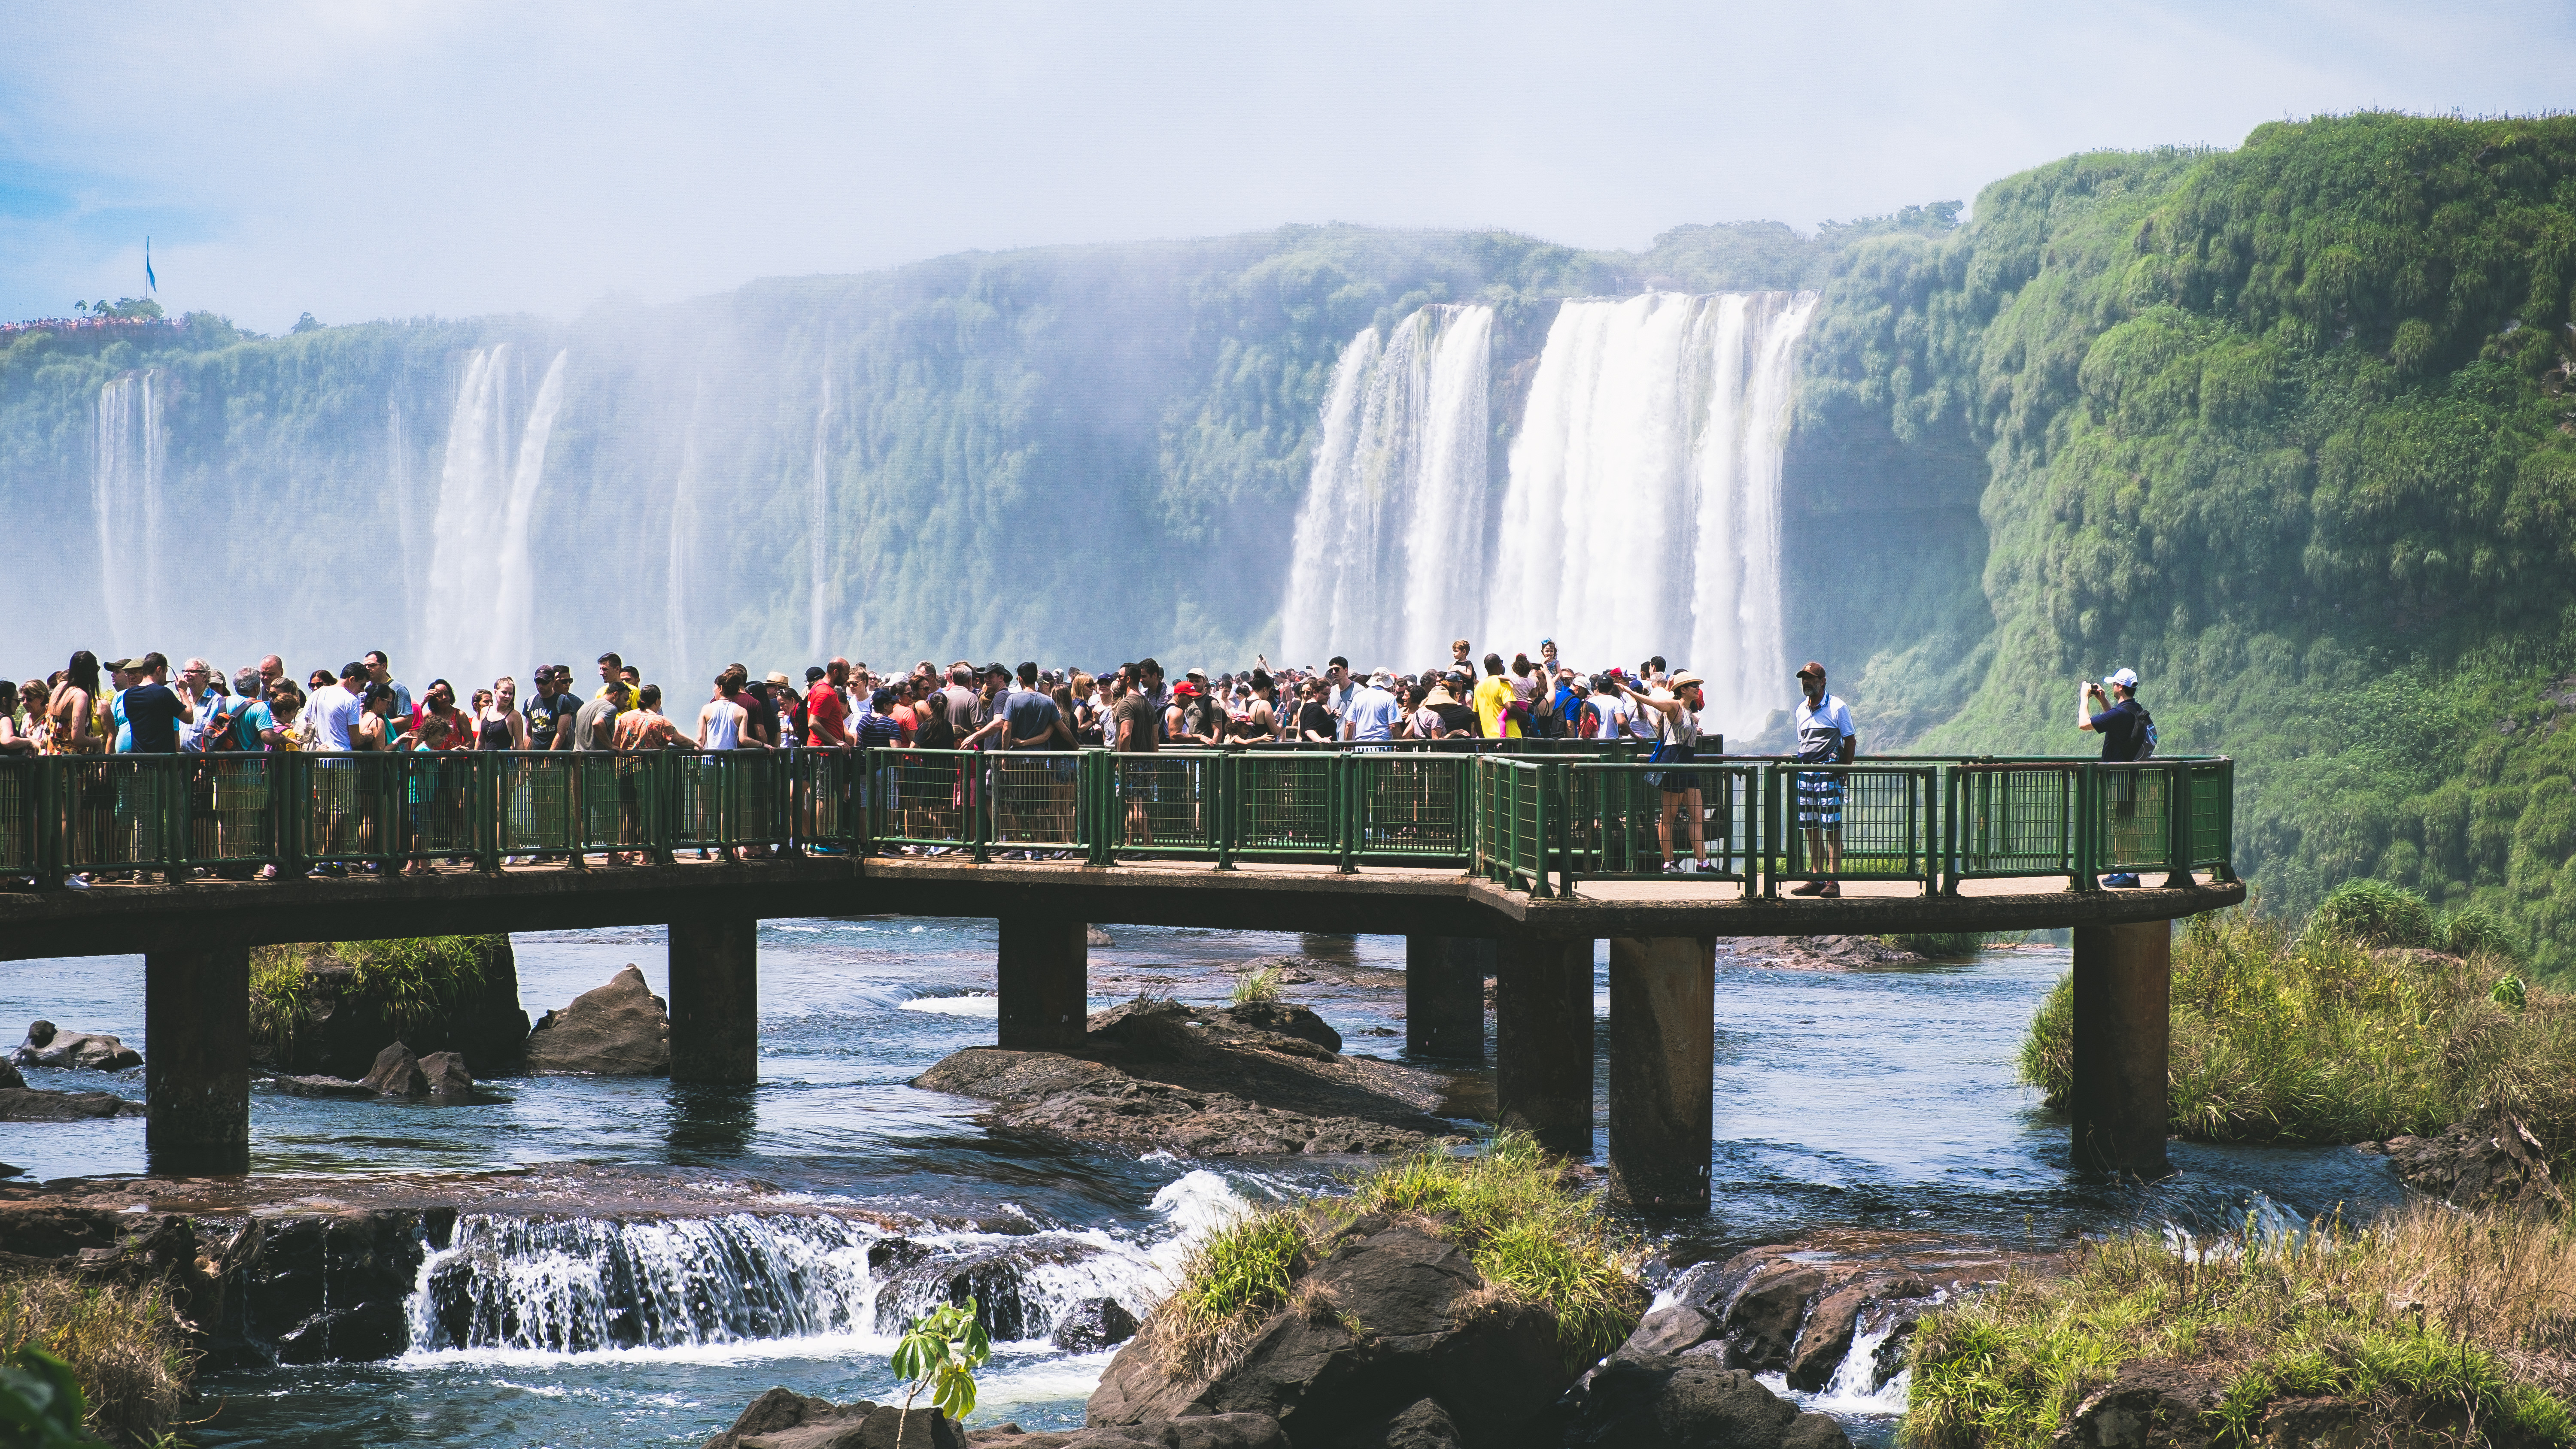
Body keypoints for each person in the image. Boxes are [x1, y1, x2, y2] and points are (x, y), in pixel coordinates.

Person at [1611, 672, 1711, 873]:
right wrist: (1630, 691)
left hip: (1688, 765)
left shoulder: (1688, 712)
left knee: (1697, 815)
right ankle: (1669, 863)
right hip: (1673, 764)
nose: (1696, 688)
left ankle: (1703, 863)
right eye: (1692, 685)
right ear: (1683, 689)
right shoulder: (1674, 707)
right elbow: (1653, 702)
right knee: (1669, 817)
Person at [2080, 667, 2155, 888]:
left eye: (2114, 684)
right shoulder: (2132, 710)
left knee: (2124, 825)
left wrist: (2084, 698)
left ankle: (2129, 874)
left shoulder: (2121, 714)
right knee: (2122, 823)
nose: (2112, 687)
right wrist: (2103, 700)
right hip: (2128, 775)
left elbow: (2084, 724)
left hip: (2121, 778)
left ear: (2120, 687)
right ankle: (2123, 869)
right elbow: (2115, 724)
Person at [1789, 661, 1857, 897]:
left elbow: (1850, 741)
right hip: (1806, 774)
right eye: (1803, 679)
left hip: (1829, 775)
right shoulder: (1800, 710)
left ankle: (1833, 880)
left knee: (1832, 827)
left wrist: (1844, 772)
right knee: (1810, 827)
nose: (1806, 682)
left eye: (1810, 678)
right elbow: (1803, 742)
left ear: (1823, 681)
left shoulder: (1838, 707)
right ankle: (1817, 877)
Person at [1341, 669, 1403, 744]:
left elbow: (1350, 724)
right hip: (1383, 746)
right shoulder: (1389, 697)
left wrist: (1347, 745)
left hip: (1361, 747)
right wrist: (1400, 745)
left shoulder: (1358, 696)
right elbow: (1394, 726)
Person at [1472, 653, 1519, 740]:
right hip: (1510, 736)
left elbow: (1476, 715)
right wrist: (1525, 714)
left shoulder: (1478, 687)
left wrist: (1482, 739)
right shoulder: (1502, 683)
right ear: (1499, 665)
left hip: (1490, 738)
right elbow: (1510, 707)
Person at [362, 650, 413, 726]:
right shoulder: (364, 691)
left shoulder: (398, 689)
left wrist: (379, 725)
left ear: (384, 667)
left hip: (392, 737)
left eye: (372, 666)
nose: (367, 669)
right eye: (365, 666)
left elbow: (407, 721)